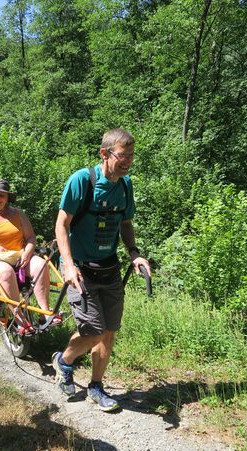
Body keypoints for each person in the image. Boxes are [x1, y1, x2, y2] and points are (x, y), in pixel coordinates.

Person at [52, 128, 151, 412]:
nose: (128, 161)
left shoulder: (125, 185)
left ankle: (96, 386)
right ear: (105, 153)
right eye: (123, 155)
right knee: (93, 331)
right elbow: (62, 225)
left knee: (108, 332)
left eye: (132, 155)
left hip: (109, 268)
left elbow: (125, 223)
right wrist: (68, 265)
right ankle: (64, 361)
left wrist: (134, 254)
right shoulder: (82, 180)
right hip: (80, 268)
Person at [0, 178, 54, 334]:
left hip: (18, 258)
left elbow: (31, 238)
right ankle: (20, 320)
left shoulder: (18, 214)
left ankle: (45, 313)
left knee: (41, 264)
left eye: (1, 195)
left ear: (7, 198)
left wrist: (27, 252)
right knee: (6, 271)